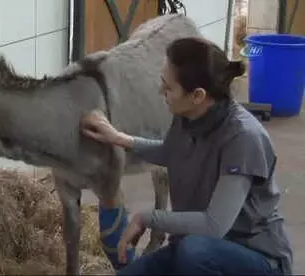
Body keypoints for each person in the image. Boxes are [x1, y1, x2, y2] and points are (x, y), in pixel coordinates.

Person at [80, 37, 293, 275]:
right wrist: (118, 137)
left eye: (169, 87)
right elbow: (171, 152)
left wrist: (148, 218)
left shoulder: (242, 138)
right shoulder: (187, 115)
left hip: (256, 257)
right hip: (194, 248)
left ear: (198, 95)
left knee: (195, 250)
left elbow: (214, 225)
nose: (162, 91)